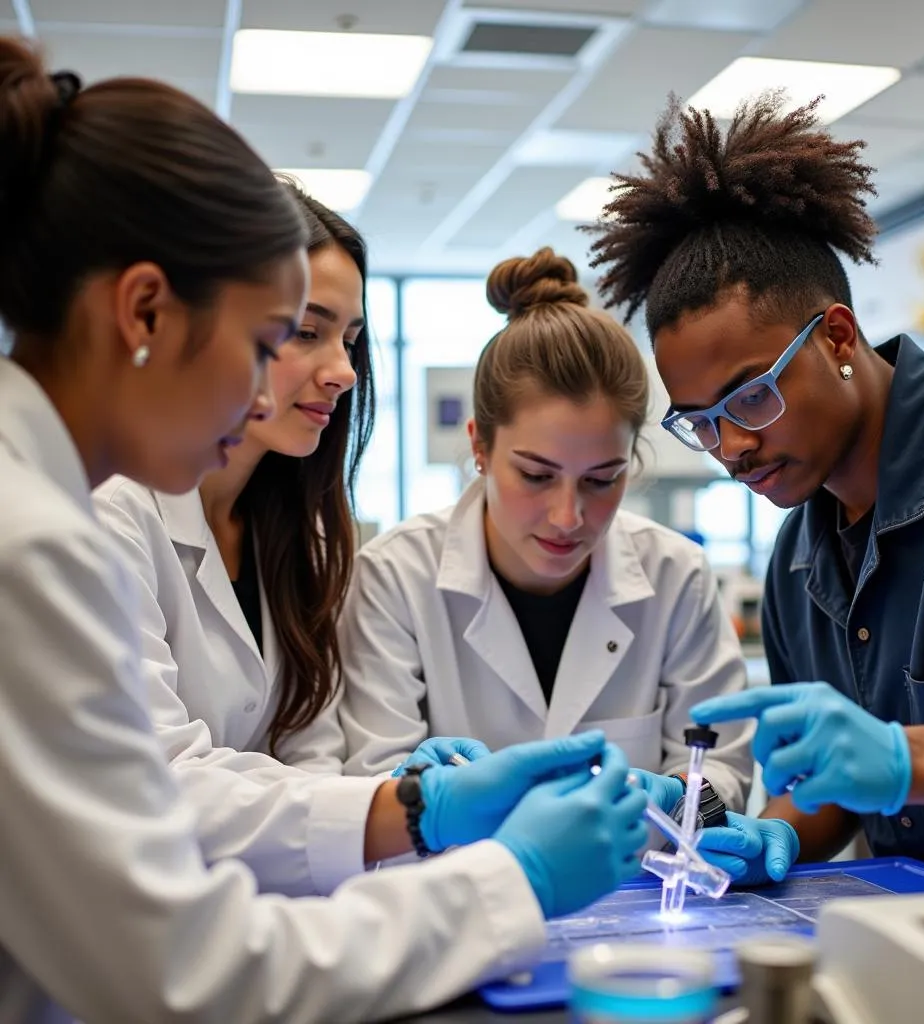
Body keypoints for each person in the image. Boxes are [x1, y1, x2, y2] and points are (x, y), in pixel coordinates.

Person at [0, 38, 648, 1023]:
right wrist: (504, 877)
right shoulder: (31, 541)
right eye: (273, 338)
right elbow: (184, 969)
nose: (320, 376)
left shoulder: (48, 504)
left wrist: (412, 809)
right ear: (143, 310)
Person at [587, 92, 924, 882]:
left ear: (837, 336)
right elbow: (840, 785)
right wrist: (779, 832)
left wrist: (912, 757)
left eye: (750, 396)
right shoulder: (800, 559)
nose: (731, 447)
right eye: (700, 421)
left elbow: (891, 765)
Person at [93, 183, 480, 896]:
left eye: (351, 340)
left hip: (257, 921)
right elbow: (160, 778)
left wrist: (385, 798)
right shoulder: (115, 512)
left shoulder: (304, 535)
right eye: (306, 331)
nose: (343, 371)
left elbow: (312, 758)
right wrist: (406, 812)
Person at [339, 247, 754, 821]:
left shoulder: (675, 575)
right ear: (480, 447)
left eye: (602, 480)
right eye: (536, 476)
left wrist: (685, 796)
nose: (567, 516)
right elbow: (373, 790)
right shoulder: (395, 578)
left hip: (632, 892)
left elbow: (721, 770)